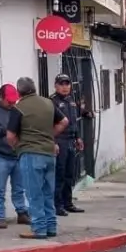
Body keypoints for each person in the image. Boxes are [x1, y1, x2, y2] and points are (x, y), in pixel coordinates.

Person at [8, 76, 68, 239]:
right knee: (48, 192)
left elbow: (10, 135)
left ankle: (39, 228)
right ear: (34, 88)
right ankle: (51, 226)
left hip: (30, 154)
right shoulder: (48, 103)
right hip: (49, 153)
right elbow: (64, 121)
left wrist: (18, 147)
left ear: (19, 91)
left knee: (34, 193)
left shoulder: (19, 107)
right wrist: (49, 136)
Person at [0, 83, 29, 229]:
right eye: (9, 102)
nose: (12, 104)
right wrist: (7, 130)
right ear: (2, 98)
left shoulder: (16, 109)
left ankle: (22, 212)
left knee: (19, 188)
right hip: (1, 155)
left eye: (14, 102)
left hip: (17, 154)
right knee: (0, 189)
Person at [50, 73, 85, 216]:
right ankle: (57, 205)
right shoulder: (52, 102)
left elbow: (73, 121)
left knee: (70, 174)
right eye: (61, 84)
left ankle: (68, 203)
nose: (65, 87)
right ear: (56, 86)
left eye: (67, 84)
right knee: (60, 174)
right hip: (60, 141)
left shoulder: (71, 100)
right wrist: (53, 141)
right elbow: (49, 124)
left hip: (71, 140)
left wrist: (78, 137)